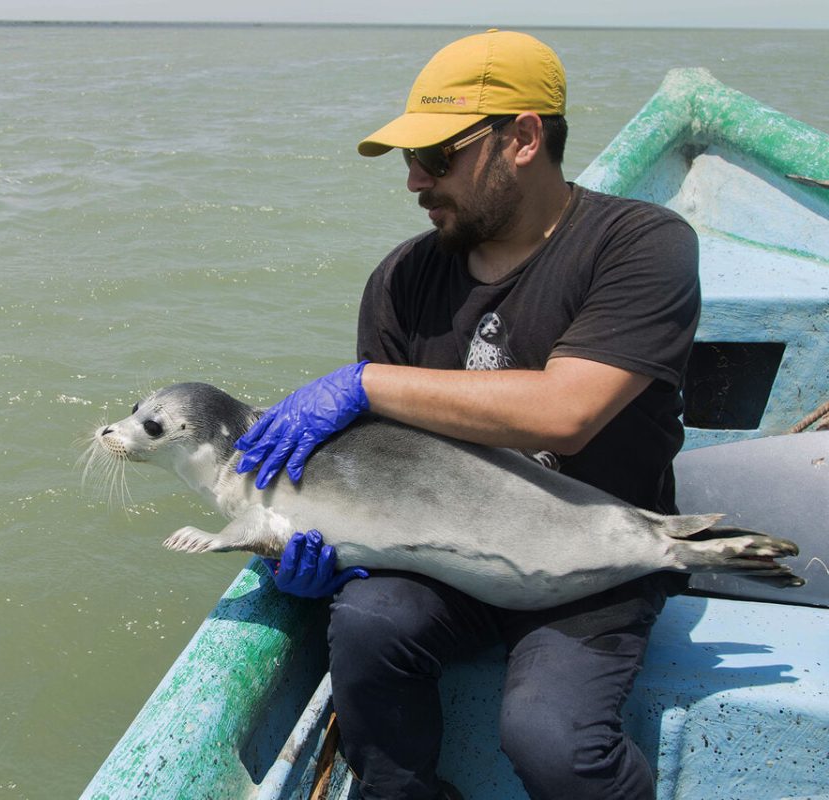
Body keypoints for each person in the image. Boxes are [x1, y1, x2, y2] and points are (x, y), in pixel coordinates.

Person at [235, 30, 700, 800]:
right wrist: (310, 544)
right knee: (366, 627)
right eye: (410, 160)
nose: (415, 181)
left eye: (438, 157)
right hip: (442, 556)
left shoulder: (639, 246)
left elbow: (567, 411)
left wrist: (367, 382)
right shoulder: (403, 279)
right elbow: (373, 464)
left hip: (595, 561)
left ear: (521, 138)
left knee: (549, 738)